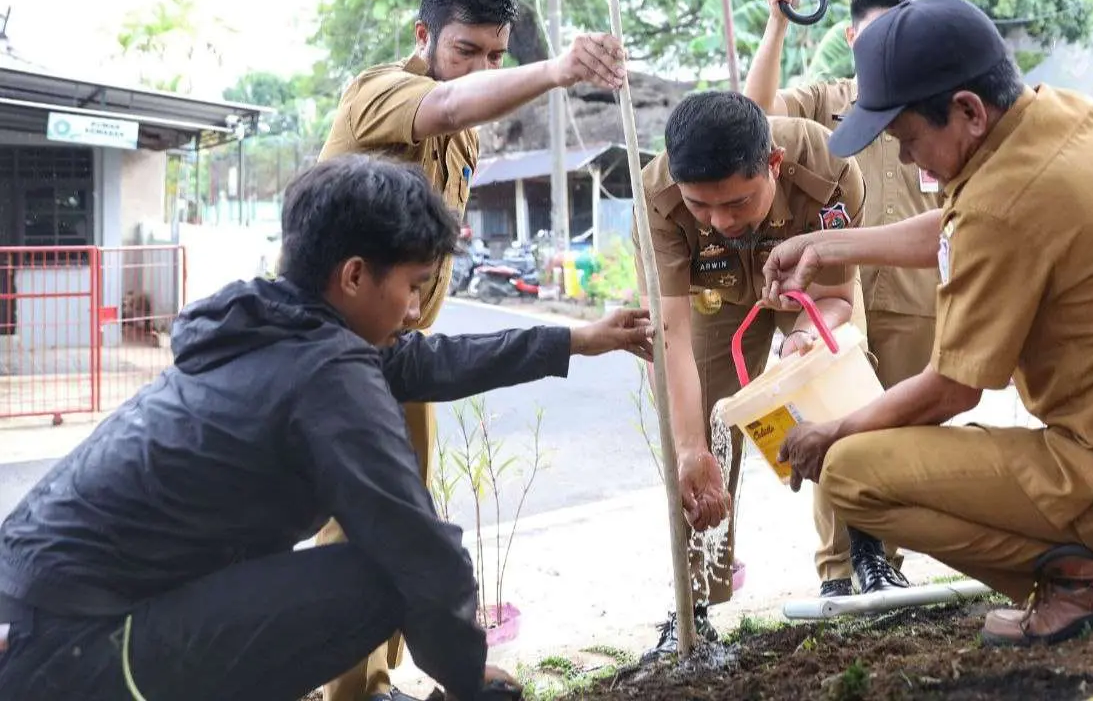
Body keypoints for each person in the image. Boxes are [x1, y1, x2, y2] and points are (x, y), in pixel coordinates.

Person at [0, 154, 653, 701]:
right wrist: (466, 676)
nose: (417, 307)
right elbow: (418, 549)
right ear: (354, 275)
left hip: (35, 607)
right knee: (388, 574)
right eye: (414, 285)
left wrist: (577, 339)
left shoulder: (269, 322)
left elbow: (424, 359)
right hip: (79, 644)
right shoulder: (325, 372)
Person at [762, 0, 1093, 647]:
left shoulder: (1004, 203)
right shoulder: (1066, 119)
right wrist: (833, 245)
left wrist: (832, 431)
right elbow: (966, 228)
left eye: (908, 139)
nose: (904, 162)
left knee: (851, 474)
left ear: (969, 111)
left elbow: (952, 387)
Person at [313, 0, 625, 698]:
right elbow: (446, 103)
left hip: (396, 349)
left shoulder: (469, 133)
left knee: (404, 514)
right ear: (422, 37)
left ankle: (376, 677)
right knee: (363, 515)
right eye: (466, 50)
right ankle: (352, 690)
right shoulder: (380, 92)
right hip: (330, 351)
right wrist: (556, 70)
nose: (482, 69)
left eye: (496, 54)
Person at [633, 90, 876, 660]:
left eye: (738, 203)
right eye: (702, 208)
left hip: (804, 285)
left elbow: (837, 296)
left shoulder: (831, 169)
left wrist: (807, 336)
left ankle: (865, 557)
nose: (720, 221)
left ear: (772, 164)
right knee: (700, 444)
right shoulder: (656, 194)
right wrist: (692, 448)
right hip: (712, 299)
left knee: (842, 399)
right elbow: (668, 335)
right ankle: (691, 606)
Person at [743, 0, 939, 597]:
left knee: (898, 429)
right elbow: (751, 115)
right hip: (838, 295)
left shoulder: (933, 114)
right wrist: (777, 26)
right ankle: (838, 568)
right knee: (834, 421)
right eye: (875, 38)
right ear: (852, 39)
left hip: (914, 297)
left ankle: (883, 562)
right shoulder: (823, 102)